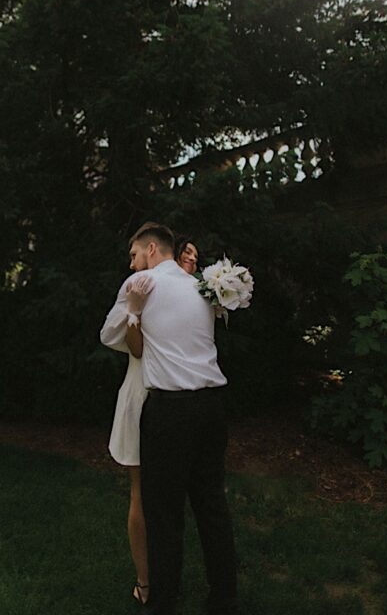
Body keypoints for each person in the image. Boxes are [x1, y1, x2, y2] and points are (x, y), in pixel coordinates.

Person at [101, 222, 237, 614]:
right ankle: (224, 598)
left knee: (163, 513)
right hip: (212, 407)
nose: (131, 265)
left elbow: (108, 336)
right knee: (212, 504)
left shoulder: (141, 285)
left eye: (133, 255)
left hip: (170, 410)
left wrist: (134, 311)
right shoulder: (204, 288)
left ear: (152, 250)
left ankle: (162, 602)